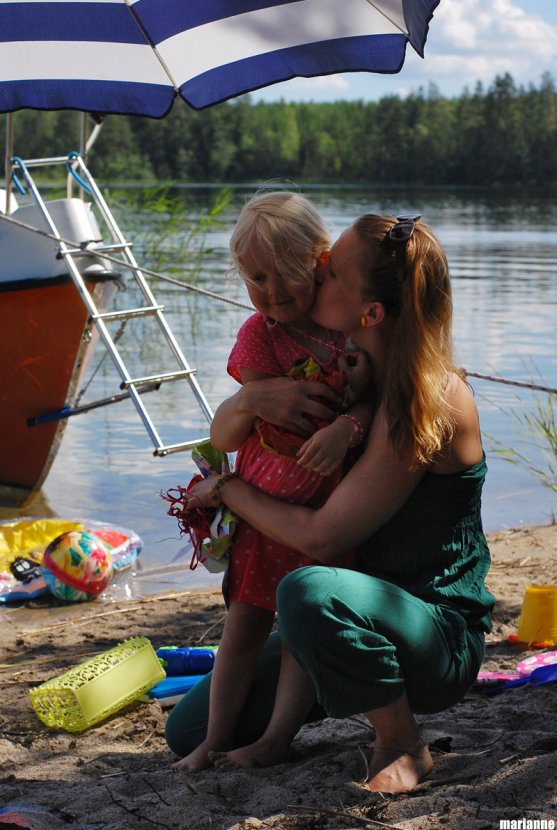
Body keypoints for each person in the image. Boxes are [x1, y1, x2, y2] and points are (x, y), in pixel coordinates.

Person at [165, 213, 495, 794]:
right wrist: (252, 396)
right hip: (353, 613)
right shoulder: (353, 370)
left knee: (307, 588)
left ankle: (400, 741)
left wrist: (227, 491)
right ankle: (326, 687)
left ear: (370, 314)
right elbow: (226, 431)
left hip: (431, 630)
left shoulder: (427, 399)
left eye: (332, 269)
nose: (317, 273)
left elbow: (323, 540)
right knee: (188, 728)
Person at [170, 190, 371, 773]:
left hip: (323, 515)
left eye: (286, 274)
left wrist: (351, 423)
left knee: (299, 638)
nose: (273, 292)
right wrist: (258, 398)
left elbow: (380, 400)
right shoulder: (261, 336)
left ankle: (277, 737)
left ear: (320, 259)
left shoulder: (351, 330)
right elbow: (242, 428)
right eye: (257, 278)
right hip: (262, 514)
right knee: (241, 629)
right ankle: (212, 739)